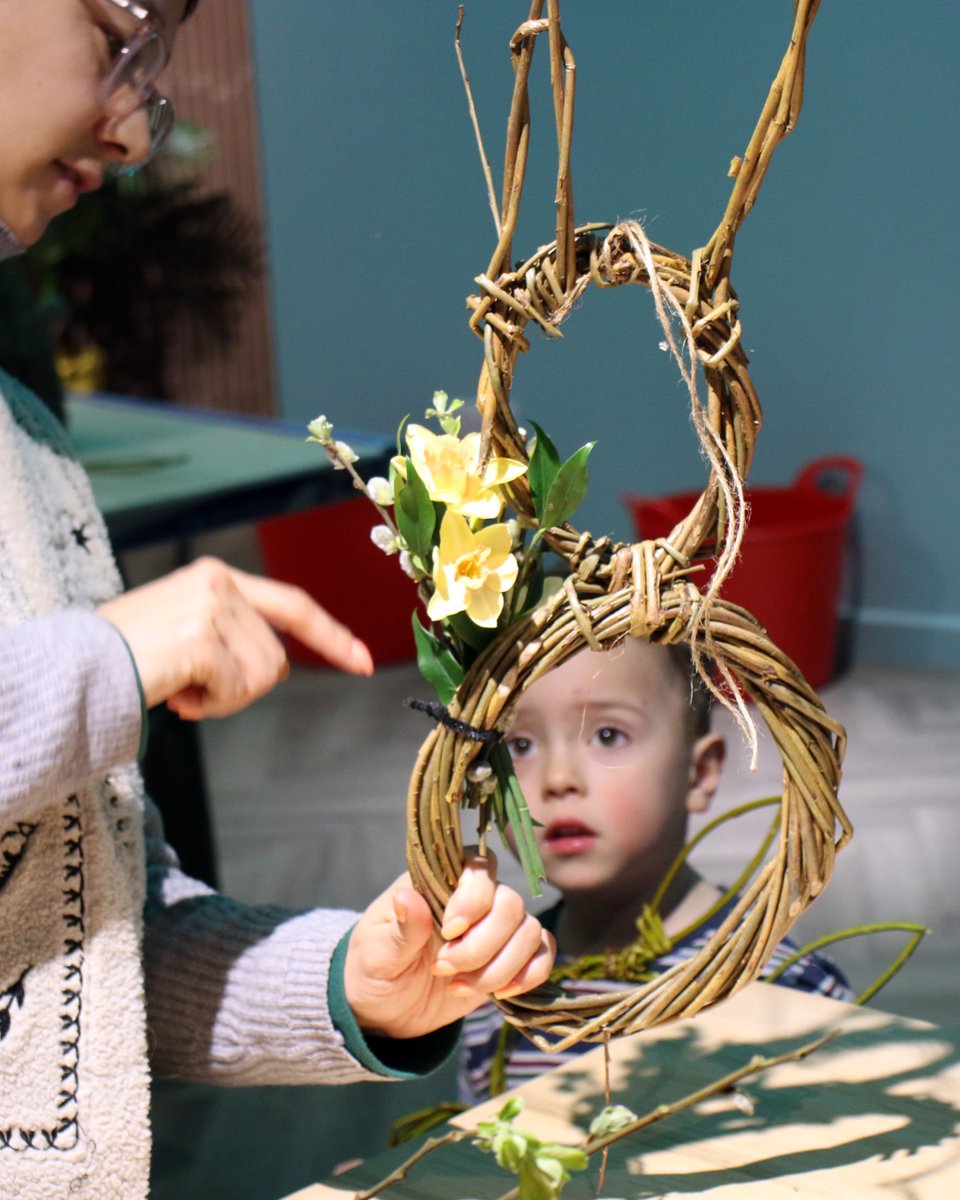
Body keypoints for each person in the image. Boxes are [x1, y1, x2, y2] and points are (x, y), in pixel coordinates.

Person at [0, 3, 554, 1196]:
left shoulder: (30, 455)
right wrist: (105, 663)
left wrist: (351, 984)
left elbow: (88, 948)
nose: (134, 130)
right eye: (118, 35)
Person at [459, 636, 852, 1103]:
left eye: (608, 735)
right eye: (518, 745)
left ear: (699, 771)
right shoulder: (497, 982)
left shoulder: (781, 987)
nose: (557, 778)